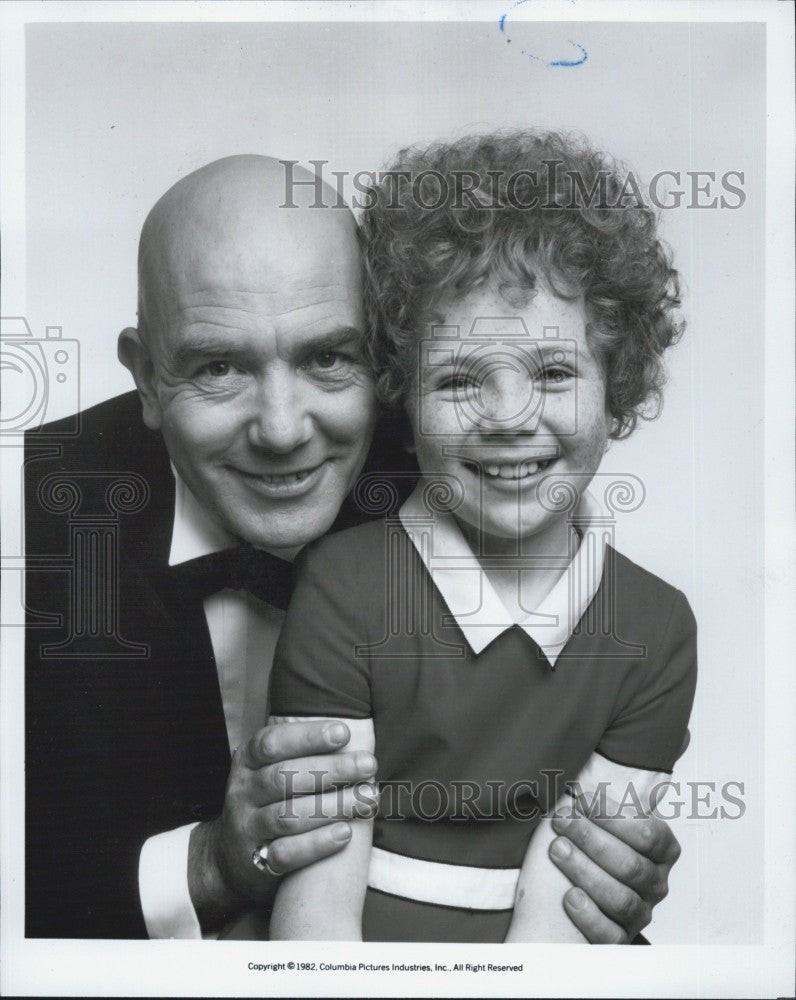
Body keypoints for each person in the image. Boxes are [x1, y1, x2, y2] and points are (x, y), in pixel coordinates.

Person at [25, 153, 683, 942]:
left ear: (385, 363)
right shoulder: (34, 519)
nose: (282, 430)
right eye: (219, 366)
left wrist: (600, 876)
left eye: (328, 357)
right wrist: (207, 865)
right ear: (145, 377)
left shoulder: (465, 466)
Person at [267, 132, 697, 942]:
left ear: (619, 387)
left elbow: (567, 904)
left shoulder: (656, 627)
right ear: (401, 391)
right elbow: (314, 908)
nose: (508, 418)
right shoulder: (344, 586)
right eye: (460, 379)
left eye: (555, 373)